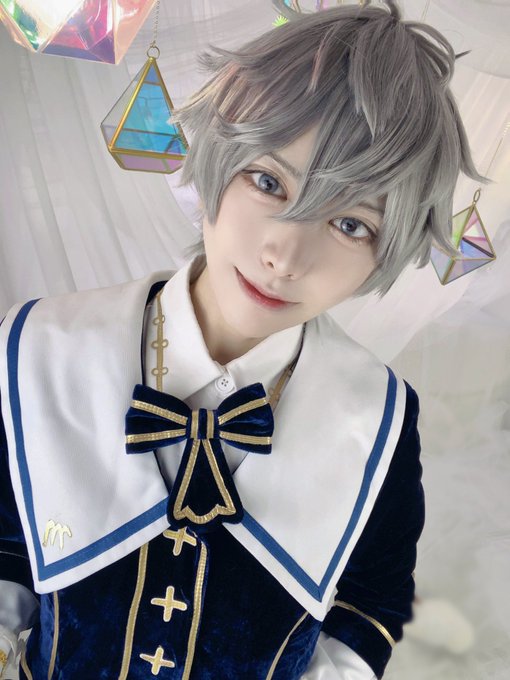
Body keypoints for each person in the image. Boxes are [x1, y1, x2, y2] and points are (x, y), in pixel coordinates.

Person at [0, 1, 482, 678]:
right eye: (267, 181)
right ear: (217, 161)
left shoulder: (379, 419)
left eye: (350, 224)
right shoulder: (40, 349)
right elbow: (8, 546)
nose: (285, 255)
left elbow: (370, 605)